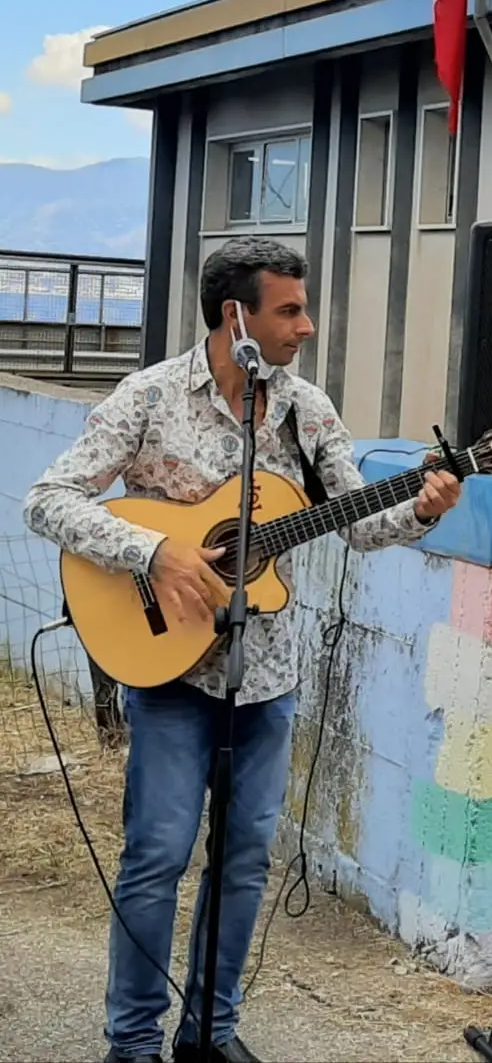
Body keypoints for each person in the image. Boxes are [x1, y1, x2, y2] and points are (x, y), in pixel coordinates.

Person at [23, 237, 462, 1063]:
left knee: (245, 861)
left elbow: (362, 524)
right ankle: (132, 1044)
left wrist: (428, 507)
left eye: (304, 307)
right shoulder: (150, 396)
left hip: (267, 679)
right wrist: (153, 552)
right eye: (290, 309)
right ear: (238, 316)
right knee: (156, 858)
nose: (307, 325)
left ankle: (210, 1034)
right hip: (171, 669)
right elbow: (48, 500)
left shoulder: (306, 410)